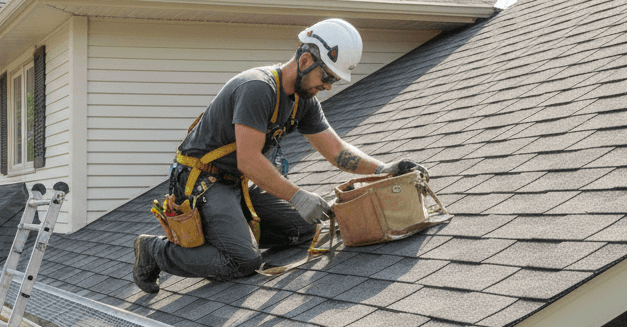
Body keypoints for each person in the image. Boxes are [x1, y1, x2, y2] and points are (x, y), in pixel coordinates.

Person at [132, 18, 427, 294]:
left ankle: (228, 235)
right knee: (243, 262)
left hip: (237, 182)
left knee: (306, 229)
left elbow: (337, 152)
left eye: (333, 82)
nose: (326, 86)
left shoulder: (304, 102)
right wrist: (298, 197)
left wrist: (385, 170)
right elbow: (248, 159)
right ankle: (155, 252)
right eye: (326, 77)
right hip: (202, 182)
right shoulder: (258, 88)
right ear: (305, 60)